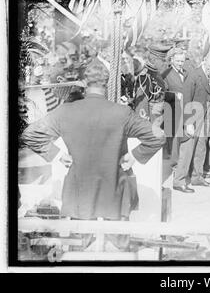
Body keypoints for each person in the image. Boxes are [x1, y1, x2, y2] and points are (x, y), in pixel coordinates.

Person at [21, 59, 166, 221]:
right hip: (114, 197)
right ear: (107, 83)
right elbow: (157, 136)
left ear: (83, 83)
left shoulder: (66, 112)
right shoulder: (122, 113)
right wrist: (134, 156)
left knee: (80, 243)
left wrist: (57, 155)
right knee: (115, 244)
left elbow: (30, 134)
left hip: (79, 197)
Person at [172, 54, 210, 192]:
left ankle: (197, 177)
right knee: (187, 149)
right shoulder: (193, 75)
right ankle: (179, 181)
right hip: (192, 115)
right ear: (204, 62)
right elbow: (186, 99)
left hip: (205, 116)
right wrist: (188, 123)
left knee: (201, 147)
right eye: (209, 67)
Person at [162, 48, 187, 165]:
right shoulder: (166, 74)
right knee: (174, 138)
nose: (180, 63)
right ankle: (174, 162)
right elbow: (162, 93)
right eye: (178, 61)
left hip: (186, 109)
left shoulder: (186, 72)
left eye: (182, 61)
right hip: (172, 109)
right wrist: (175, 95)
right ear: (172, 60)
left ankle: (181, 161)